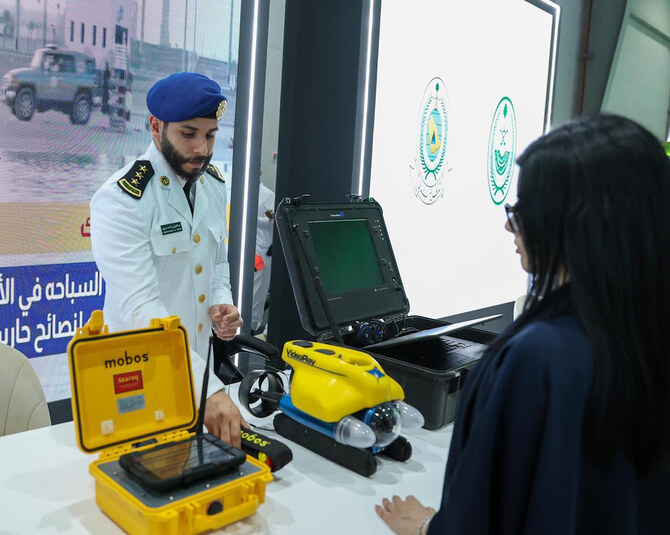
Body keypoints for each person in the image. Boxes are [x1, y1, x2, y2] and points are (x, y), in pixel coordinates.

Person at [376, 114, 670, 534]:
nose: (510, 223)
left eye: (524, 208)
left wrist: (428, 528)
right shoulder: (645, 331)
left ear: (571, 223)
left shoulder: (539, 357)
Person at [90, 72, 246, 447]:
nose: (201, 149)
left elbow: (217, 263)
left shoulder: (212, 186)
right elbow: (138, 305)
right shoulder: (122, 199)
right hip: (139, 380)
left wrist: (221, 303)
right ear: (155, 126)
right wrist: (205, 387)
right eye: (188, 134)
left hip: (198, 376)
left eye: (210, 135)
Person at [251, 180, 275, 334]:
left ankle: (253, 325)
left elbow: (272, 221)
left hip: (261, 250)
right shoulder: (246, 192)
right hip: (250, 248)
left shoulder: (268, 195)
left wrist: (252, 217)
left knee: (258, 289)